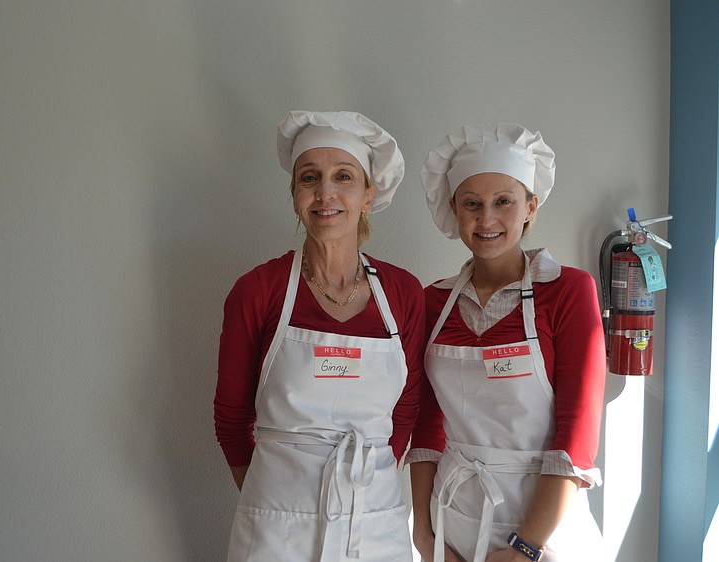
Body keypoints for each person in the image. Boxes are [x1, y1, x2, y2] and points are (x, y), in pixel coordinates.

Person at [214, 110, 425, 561]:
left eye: (343, 177)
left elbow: (405, 412)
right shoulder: (259, 290)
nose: (325, 193)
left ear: (368, 195)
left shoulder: (403, 293)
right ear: (294, 195)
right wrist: (277, 499)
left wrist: (362, 492)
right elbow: (231, 419)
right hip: (275, 528)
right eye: (310, 178)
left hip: (375, 524)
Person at [409, 123, 607, 562]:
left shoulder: (569, 291)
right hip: (454, 522)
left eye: (504, 202)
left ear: (530, 207)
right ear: (454, 209)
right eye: (472, 204)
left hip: (548, 528)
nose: (486, 220)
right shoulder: (431, 302)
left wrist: (525, 548)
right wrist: (425, 537)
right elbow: (425, 426)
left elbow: (577, 436)